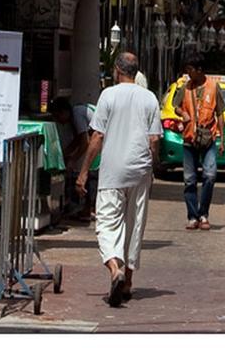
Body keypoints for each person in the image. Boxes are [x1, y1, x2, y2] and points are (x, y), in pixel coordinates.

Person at [76, 52, 161, 308]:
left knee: (107, 224)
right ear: (136, 71)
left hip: (112, 171)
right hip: (139, 170)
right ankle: (128, 282)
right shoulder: (149, 98)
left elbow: (97, 137)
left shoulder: (108, 95)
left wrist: (83, 171)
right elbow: (154, 140)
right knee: (135, 225)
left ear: (117, 70)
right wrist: (151, 168)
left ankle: (115, 269)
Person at [172, 55, 225, 231]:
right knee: (189, 180)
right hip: (189, 139)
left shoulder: (213, 86)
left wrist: (222, 140)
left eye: (190, 70)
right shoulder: (185, 87)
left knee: (209, 176)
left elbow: (220, 113)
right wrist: (182, 113)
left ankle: (204, 214)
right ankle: (193, 216)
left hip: (208, 138)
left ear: (199, 70)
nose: (188, 74)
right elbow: (175, 105)